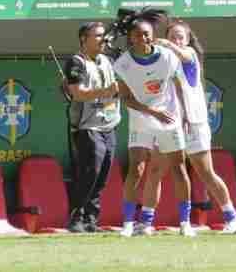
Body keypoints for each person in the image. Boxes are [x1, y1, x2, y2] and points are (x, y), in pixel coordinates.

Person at [165, 20, 236, 234]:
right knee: (172, 170)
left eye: (180, 36)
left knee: (206, 173)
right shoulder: (166, 62)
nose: (176, 40)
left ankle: (232, 217)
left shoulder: (190, 54)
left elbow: (180, 53)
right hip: (174, 124)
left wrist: (164, 43)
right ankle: (182, 223)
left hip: (196, 123)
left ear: (188, 39)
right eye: (172, 36)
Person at [109, 19, 183, 237]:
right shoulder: (122, 64)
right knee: (137, 170)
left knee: (170, 170)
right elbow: (126, 99)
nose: (143, 38)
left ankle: (183, 223)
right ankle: (129, 224)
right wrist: (152, 112)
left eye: (147, 34)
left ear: (153, 34)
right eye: (138, 35)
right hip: (141, 120)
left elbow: (179, 87)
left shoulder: (168, 56)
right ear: (131, 38)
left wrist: (184, 116)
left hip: (168, 120)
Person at [62, 21, 122, 233]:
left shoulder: (110, 59)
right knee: (91, 169)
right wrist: (104, 92)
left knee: (103, 173)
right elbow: (77, 93)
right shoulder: (76, 62)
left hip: (109, 123)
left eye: (104, 35)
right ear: (83, 39)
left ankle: (91, 219)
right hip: (87, 125)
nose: (102, 39)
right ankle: (76, 214)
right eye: (97, 36)